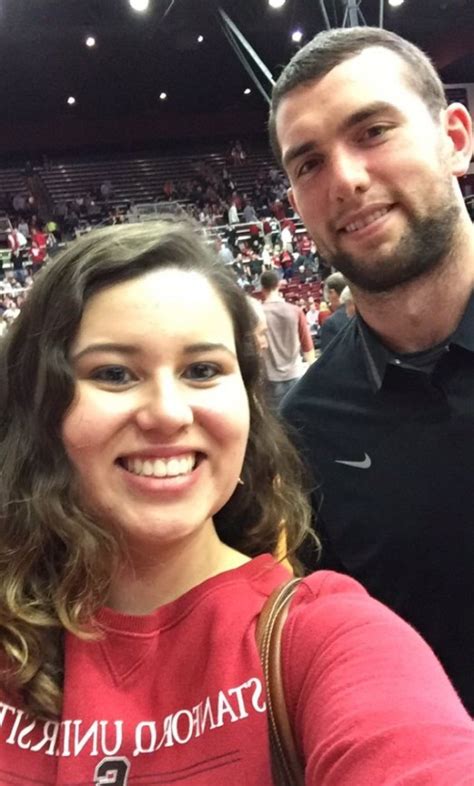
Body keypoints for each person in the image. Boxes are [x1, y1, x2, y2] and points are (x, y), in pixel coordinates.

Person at [0, 221, 473, 783]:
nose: (169, 414)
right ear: (37, 408)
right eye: (114, 373)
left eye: (202, 371)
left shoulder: (325, 638)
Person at [270, 26, 474, 714]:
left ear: (456, 138)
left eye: (373, 131)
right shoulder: (304, 431)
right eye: (308, 164)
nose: (346, 180)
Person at [260, 269, 315, 407]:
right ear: (279, 285)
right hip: (295, 374)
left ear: (262, 287)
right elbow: (307, 346)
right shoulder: (295, 310)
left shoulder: (257, 313)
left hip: (270, 377)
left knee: (276, 425)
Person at [320, 272, 350, 350]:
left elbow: (329, 360)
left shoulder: (331, 323)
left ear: (332, 292)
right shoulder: (366, 313)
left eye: (328, 293)